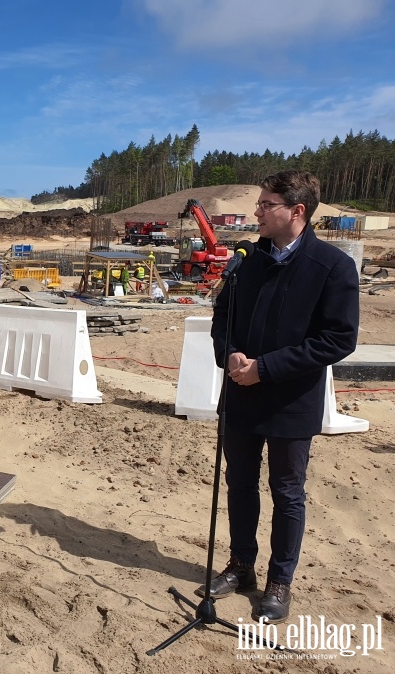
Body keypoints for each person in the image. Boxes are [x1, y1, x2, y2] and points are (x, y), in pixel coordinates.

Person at [204, 170, 359, 623]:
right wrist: (229, 354)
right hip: (241, 396)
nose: (257, 211)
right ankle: (240, 566)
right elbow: (222, 318)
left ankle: (279, 581)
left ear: (297, 212)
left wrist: (266, 369)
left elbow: (338, 339)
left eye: (266, 204)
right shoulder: (246, 260)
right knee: (240, 484)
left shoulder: (332, 266)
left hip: (291, 401)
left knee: (287, 491)